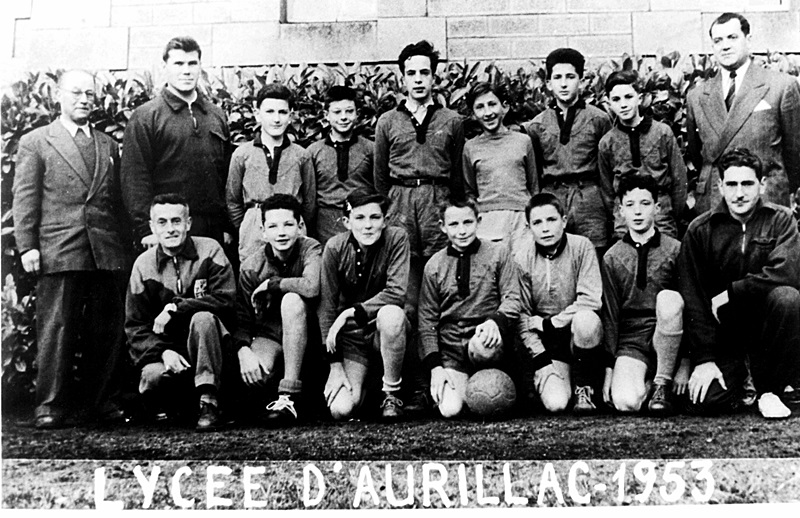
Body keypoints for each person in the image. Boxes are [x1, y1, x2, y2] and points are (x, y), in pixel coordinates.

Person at [12, 70, 131, 429]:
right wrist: (28, 247)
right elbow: (25, 198)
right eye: (76, 93)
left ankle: (102, 401)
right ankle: (50, 403)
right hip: (60, 248)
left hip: (104, 250)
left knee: (106, 328)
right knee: (57, 329)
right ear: (58, 95)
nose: (84, 100)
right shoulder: (37, 141)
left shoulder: (107, 143)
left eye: (90, 94)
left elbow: (116, 202)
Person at [373, 40, 465, 411]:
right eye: (411, 73)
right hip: (400, 211)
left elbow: (458, 177)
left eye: (424, 72)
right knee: (407, 304)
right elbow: (380, 178)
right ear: (402, 78)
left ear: (434, 77)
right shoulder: (387, 122)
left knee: (441, 301)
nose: (418, 79)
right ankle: (411, 386)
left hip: (438, 210)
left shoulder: (452, 120)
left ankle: (441, 381)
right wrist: (392, 213)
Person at [679, 148, 800, 419]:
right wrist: (705, 359)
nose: (739, 193)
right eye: (732, 184)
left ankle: (770, 389)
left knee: (788, 298)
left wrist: (733, 292)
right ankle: (744, 377)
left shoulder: (781, 220)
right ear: (720, 186)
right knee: (706, 403)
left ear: (762, 185)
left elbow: (788, 272)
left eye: (747, 183)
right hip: (725, 337)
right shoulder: (700, 230)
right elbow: (693, 297)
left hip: (769, 335)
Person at [126, 194, 237, 431]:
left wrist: (176, 308)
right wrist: (163, 352)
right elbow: (135, 326)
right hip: (169, 353)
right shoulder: (143, 265)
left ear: (188, 223)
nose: (170, 229)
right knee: (153, 378)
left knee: (202, 318)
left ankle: (209, 401)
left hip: (211, 349)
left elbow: (226, 300)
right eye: (162, 222)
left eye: (176, 221)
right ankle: (178, 407)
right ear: (152, 227)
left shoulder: (210, 250)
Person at [122, 36, 232, 252]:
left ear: (200, 66)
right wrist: (146, 229)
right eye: (178, 64)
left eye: (192, 63)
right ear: (165, 67)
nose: (186, 71)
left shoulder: (215, 115)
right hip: (167, 230)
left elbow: (227, 176)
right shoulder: (146, 116)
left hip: (212, 230)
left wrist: (227, 225)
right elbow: (135, 178)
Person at [686, 12, 800, 213]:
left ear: (748, 40)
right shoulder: (696, 96)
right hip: (715, 200)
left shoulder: (781, 86)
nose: (725, 46)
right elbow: (697, 154)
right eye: (718, 40)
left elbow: (794, 151)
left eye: (732, 37)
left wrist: (779, 187)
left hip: (765, 200)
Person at [418, 197, 521, 418]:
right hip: (452, 347)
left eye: (468, 222)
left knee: (483, 346)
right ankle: (456, 387)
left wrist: (495, 321)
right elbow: (427, 322)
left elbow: (513, 298)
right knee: (450, 410)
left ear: (478, 221)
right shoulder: (434, 265)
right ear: (443, 227)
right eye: (454, 224)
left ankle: (495, 383)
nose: (462, 231)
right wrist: (435, 368)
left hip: (486, 338)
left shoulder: (498, 253)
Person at [601, 174, 689, 415]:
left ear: (657, 208)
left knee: (669, 299)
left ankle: (662, 381)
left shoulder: (676, 249)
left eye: (645, 203)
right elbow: (610, 316)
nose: (638, 212)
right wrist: (609, 369)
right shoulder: (612, 257)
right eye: (630, 205)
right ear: (621, 211)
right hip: (633, 341)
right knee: (625, 402)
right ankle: (649, 383)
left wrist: (685, 362)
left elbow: (690, 307)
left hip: (668, 334)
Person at [320, 189, 410, 421]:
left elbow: (396, 293)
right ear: (347, 222)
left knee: (392, 315)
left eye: (375, 217)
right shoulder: (335, 247)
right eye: (359, 218)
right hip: (353, 338)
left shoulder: (397, 238)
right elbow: (326, 306)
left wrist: (351, 312)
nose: (368, 225)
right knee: (341, 409)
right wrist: (334, 365)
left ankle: (391, 393)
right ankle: (366, 387)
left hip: (383, 331)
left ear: (385, 220)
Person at [233, 194, 322, 424]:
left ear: (300, 227)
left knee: (291, 300)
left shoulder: (310, 248)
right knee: (255, 374)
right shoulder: (252, 267)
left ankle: (288, 396)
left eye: (288, 225)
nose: (281, 233)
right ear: (263, 232)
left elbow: (312, 287)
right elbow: (243, 317)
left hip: (308, 331)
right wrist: (243, 350)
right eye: (273, 226)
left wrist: (273, 284)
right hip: (270, 333)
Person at [512, 193, 604, 414]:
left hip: (576, 336)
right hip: (549, 345)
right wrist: (541, 359)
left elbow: (591, 299)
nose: (545, 228)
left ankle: (585, 386)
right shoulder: (522, 257)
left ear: (563, 221)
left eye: (551, 220)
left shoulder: (582, 246)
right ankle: (559, 378)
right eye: (537, 222)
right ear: (529, 227)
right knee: (556, 403)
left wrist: (551, 323)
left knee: (586, 320)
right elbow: (523, 316)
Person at [525, 48, 613, 254]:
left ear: (581, 81)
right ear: (548, 83)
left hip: (589, 200)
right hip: (553, 198)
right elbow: (534, 174)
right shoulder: (536, 125)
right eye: (557, 77)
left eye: (570, 77)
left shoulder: (599, 119)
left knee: (593, 254)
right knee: (555, 255)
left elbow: (608, 169)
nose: (563, 84)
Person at [227, 84, 315, 263]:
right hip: (254, 229)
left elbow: (309, 202)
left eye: (282, 112)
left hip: (291, 228)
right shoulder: (242, 154)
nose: (276, 119)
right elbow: (232, 200)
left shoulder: (301, 155)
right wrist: (248, 224)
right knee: (254, 273)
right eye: (269, 112)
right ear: (257, 114)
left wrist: (295, 224)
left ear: (290, 115)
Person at [599, 70, 687, 239]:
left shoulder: (662, 133)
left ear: (639, 98)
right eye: (616, 99)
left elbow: (679, 180)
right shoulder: (607, 142)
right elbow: (607, 190)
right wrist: (620, 213)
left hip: (660, 216)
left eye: (628, 97)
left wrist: (669, 212)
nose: (623, 104)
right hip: (625, 221)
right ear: (609, 103)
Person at [462, 82, 538, 245]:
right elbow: (470, 191)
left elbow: (534, 186)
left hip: (521, 219)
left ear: (505, 107)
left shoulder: (523, 141)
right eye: (480, 107)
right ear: (473, 114)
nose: (487, 112)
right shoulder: (470, 147)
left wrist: (533, 217)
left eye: (492, 104)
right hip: (488, 222)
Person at [307, 85, 374, 245]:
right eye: (337, 112)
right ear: (326, 115)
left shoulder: (371, 149)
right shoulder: (313, 152)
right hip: (325, 223)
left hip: (361, 221)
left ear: (357, 114)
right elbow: (309, 197)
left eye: (349, 111)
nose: (343, 117)